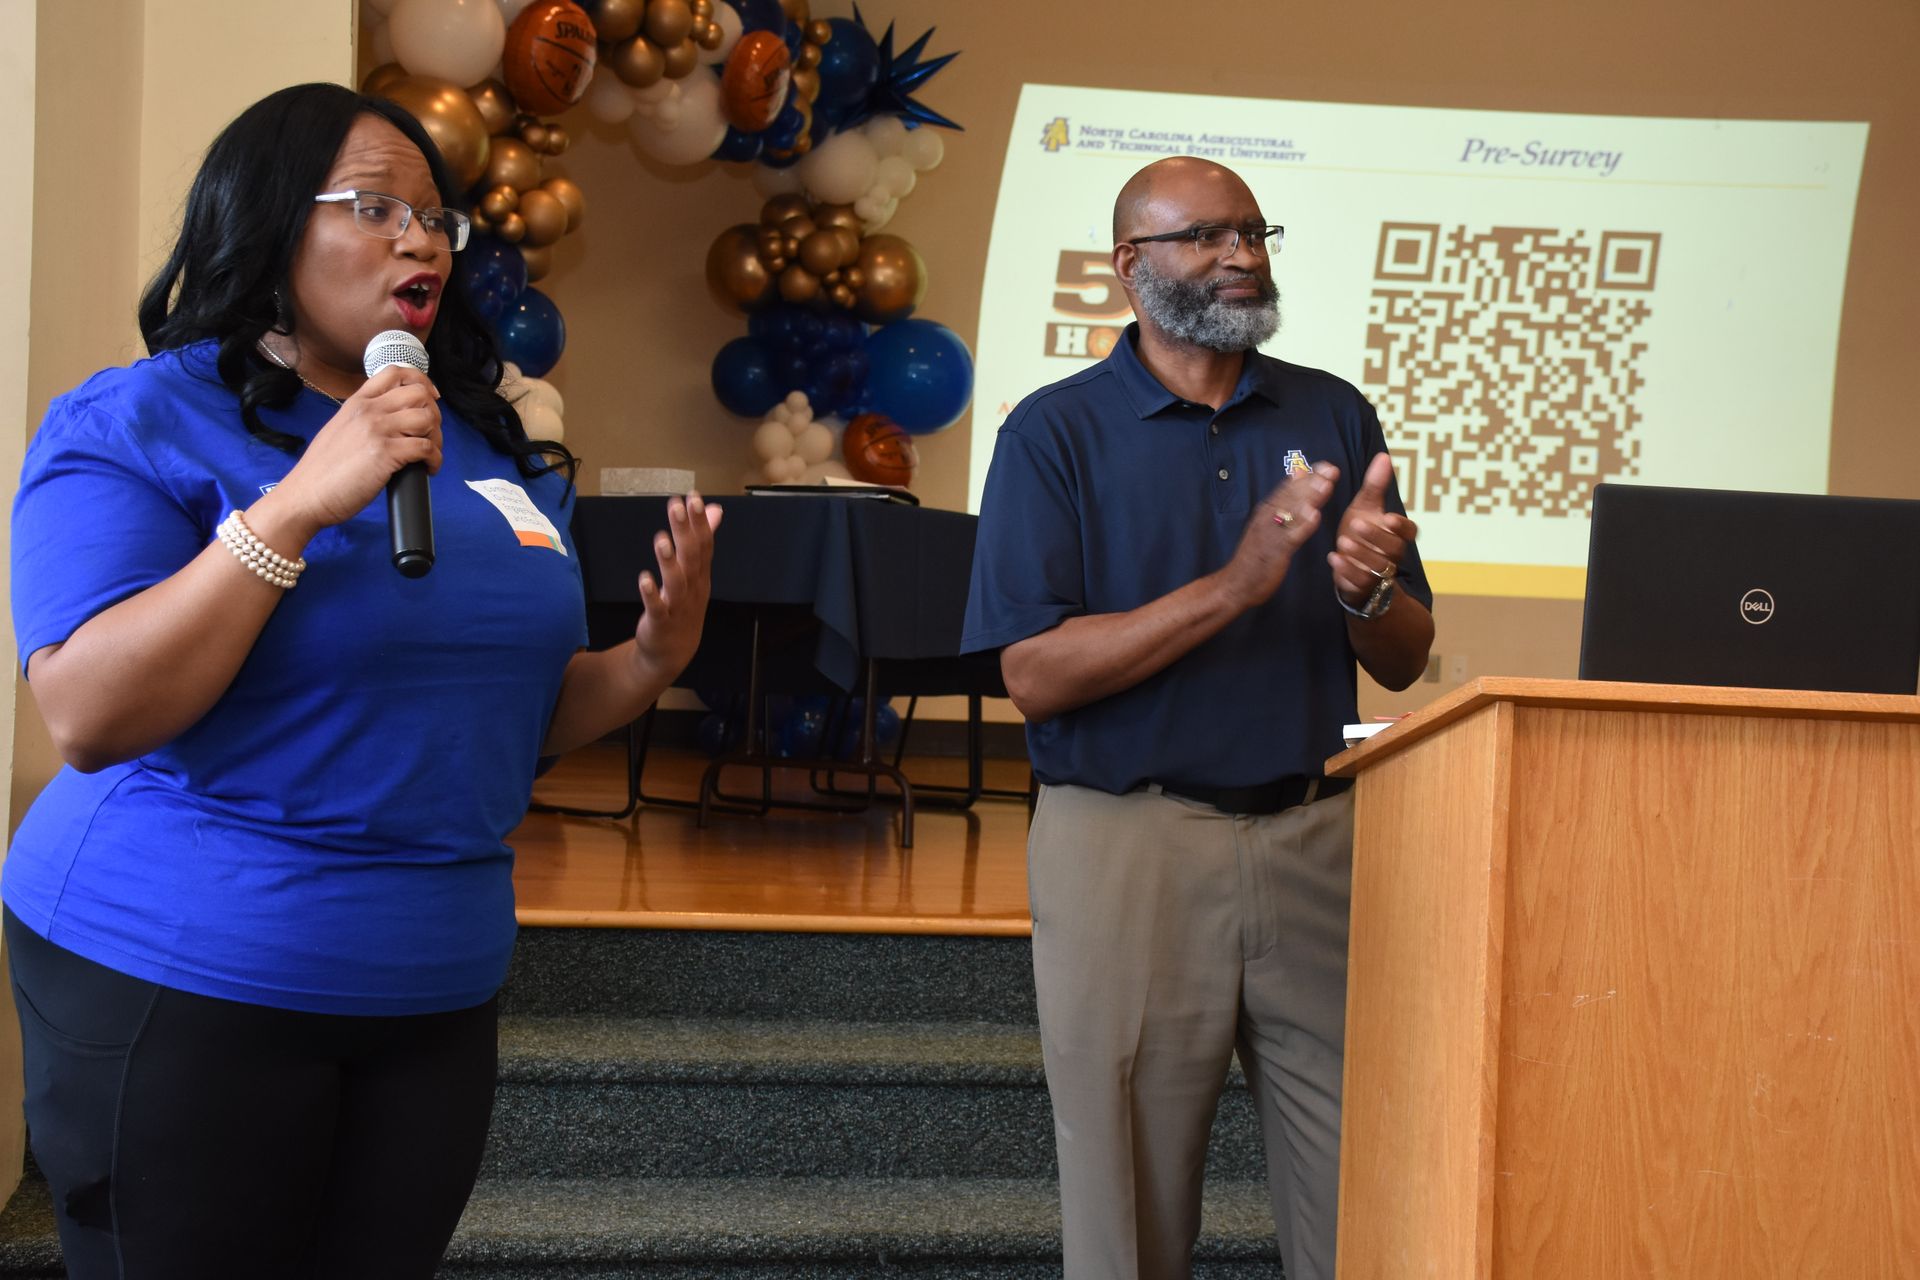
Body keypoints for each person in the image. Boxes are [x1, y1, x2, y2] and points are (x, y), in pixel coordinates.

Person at [4, 83, 720, 1277]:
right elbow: (87, 711)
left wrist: (649, 661)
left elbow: (513, 722)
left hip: (433, 988)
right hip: (183, 969)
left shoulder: (487, 442)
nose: (417, 239)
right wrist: (295, 506)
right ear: (271, 223)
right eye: (375, 207)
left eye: (436, 219)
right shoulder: (139, 419)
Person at [961, 157, 1436, 1280]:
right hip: (1129, 844)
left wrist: (1367, 589)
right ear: (1130, 266)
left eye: (1255, 232)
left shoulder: (1331, 409)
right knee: (1129, 1222)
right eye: (1208, 236)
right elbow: (1032, 671)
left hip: (1320, 840)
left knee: (1365, 1201)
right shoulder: (1054, 432)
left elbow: (1407, 657)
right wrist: (1238, 580)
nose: (1243, 255)